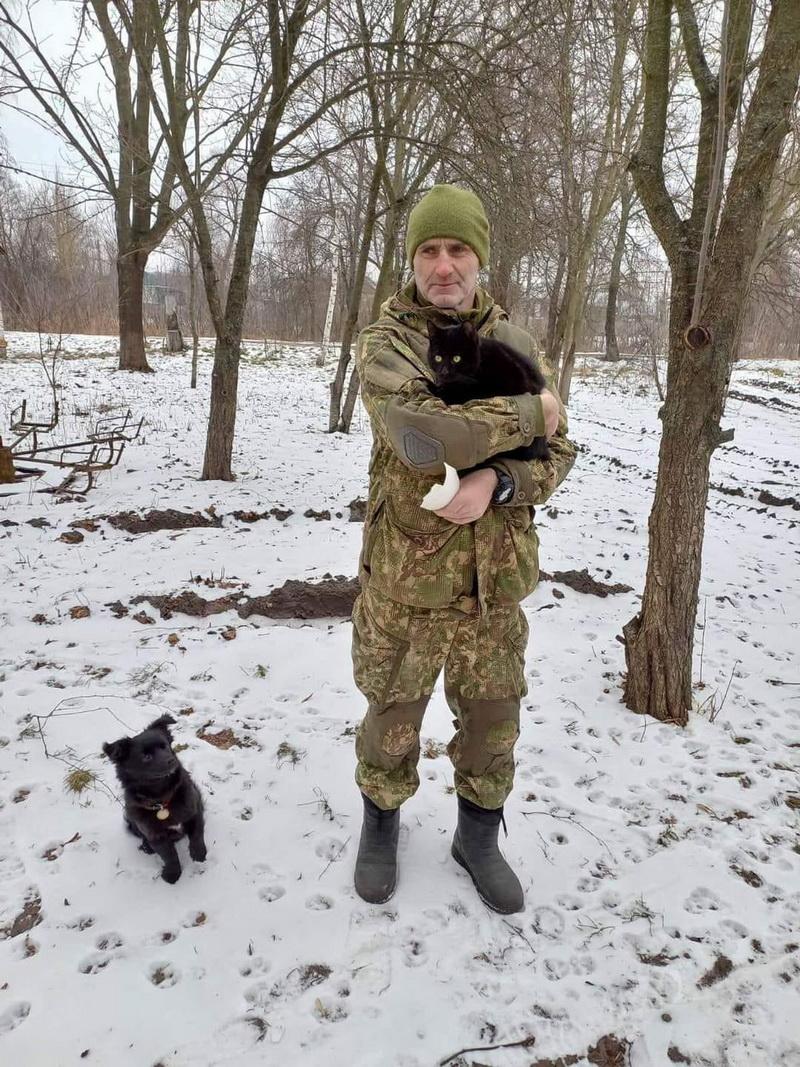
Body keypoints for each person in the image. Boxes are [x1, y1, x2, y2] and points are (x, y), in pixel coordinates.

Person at [351, 184, 576, 913]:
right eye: (429, 250)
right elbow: (424, 440)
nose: (443, 265)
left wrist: (501, 483)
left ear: (479, 257)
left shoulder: (514, 341)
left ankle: (477, 837)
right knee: (392, 720)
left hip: (494, 584)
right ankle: (380, 824)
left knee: (492, 725)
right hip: (408, 581)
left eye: (457, 250)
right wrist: (529, 409)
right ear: (412, 259)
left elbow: (559, 451)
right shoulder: (386, 344)